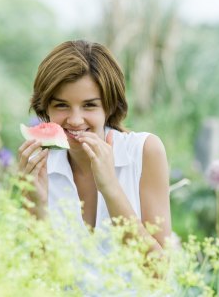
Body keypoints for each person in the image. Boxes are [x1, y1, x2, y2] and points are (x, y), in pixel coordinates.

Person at [17, 40, 171, 253]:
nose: (75, 120)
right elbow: (39, 277)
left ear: (108, 106)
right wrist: (37, 207)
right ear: (45, 107)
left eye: (89, 105)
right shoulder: (37, 164)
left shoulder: (144, 151)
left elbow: (158, 272)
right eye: (61, 105)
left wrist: (110, 188)